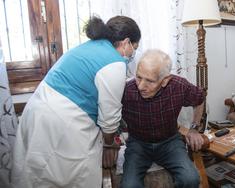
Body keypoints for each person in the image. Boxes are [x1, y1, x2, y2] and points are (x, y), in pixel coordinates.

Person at [11, 15, 141, 188]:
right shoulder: (115, 63)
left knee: (35, 174)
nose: (133, 54)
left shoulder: (88, 47)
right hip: (63, 121)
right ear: (126, 42)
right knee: (71, 176)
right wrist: (109, 144)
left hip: (37, 110)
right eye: (134, 47)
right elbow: (109, 121)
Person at [120, 49, 205, 188]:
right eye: (139, 77)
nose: (141, 86)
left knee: (191, 179)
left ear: (165, 80)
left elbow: (199, 99)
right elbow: (106, 113)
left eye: (150, 81)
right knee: (129, 185)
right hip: (138, 144)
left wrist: (194, 129)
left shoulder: (179, 86)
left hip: (169, 142)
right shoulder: (126, 90)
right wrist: (109, 143)